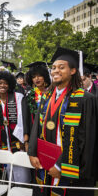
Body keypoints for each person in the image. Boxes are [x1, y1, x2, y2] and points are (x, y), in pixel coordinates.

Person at [28, 47, 97, 196]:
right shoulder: (46, 98)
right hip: (44, 164)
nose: (55, 71)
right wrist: (32, 153)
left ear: (73, 71)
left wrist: (60, 166)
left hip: (69, 169)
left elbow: (86, 139)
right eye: (53, 68)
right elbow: (36, 128)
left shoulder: (85, 99)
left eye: (61, 67)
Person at [0, 71, 30, 183]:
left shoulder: (18, 97)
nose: (2, 85)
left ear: (10, 84)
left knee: (21, 171)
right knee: (9, 170)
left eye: (5, 83)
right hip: (3, 140)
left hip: (17, 139)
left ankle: (22, 188)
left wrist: (20, 137)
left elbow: (23, 119)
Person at [22, 61, 51, 151]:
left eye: (39, 76)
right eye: (34, 77)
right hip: (33, 134)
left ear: (45, 77)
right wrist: (26, 140)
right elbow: (25, 119)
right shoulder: (29, 96)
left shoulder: (52, 94)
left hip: (50, 133)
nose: (36, 79)